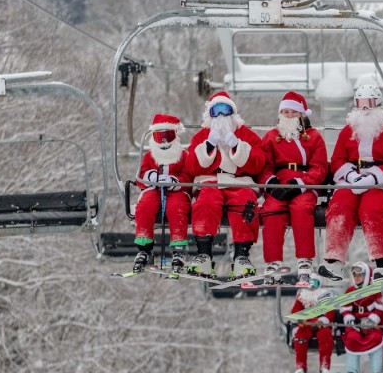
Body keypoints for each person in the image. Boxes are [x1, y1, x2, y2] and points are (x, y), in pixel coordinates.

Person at [318, 84, 383, 281]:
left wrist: (372, 177)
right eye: (361, 104)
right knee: (339, 206)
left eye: (369, 103)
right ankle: (334, 261)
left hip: (382, 183)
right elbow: (338, 160)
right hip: (352, 180)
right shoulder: (348, 132)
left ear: (378, 104)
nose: (365, 109)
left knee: (372, 208)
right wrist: (351, 176)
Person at [185, 91, 266, 278]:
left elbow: (258, 163)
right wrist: (208, 146)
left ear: (233, 113)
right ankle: (204, 254)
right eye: (216, 111)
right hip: (211, 182)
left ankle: (241, 256)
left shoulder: (246, 135)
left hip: (239, 181)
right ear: (210, 115)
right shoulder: (202, 136)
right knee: (205, 202)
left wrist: (237, 146)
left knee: (245, 203)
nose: (221, 115)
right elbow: (191, 166)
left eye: (225, 110)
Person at [258, 91, 329, 282]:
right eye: (286, 112)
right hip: (279, 183)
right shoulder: (271, 137)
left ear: (302, 114)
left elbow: (319, 167)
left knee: (302, 207)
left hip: (304, 183)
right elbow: (264, 166)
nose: (289, 116)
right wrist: (271, 183)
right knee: (271, 209)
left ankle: (305, 259)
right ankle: (273, 261)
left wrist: (301, 184)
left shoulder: (313, 137)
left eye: (294, 112)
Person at [131, 114, 192, 274]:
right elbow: (140, 177)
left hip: (177, 191)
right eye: (160, 137)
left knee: (177, 207)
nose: (164, 142)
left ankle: (178, 248)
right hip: (154, 190)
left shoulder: (183, 156)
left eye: (168, 136)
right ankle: (144, 248)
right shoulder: (149, 156)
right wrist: (150, 177)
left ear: (175, 135)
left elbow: (188, 176)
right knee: (145, 206)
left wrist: (175, 181)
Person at [340, 262, 383, 373]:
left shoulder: (374, 291)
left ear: (367, 276)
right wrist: (350, 320)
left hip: (370, 324)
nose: (357, 278)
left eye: (360, 275)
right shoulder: (350, 291)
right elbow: (345, 309)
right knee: (351, 339)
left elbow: (380, 309)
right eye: (355, 275)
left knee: (377, 338)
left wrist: (371, 320)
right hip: (355, 324)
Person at [290, 278, 334, 373]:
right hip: (307, 323)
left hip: (320, 324)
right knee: (300, 336)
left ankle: (324, 367)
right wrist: (300, 318)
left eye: (314, 284)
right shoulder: (303, 297)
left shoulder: (325, 297)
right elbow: (295, 311)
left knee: (325, 335)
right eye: (309, 284)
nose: (312, 287)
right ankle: (301, 368)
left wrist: (323, 320)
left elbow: (330, 313)